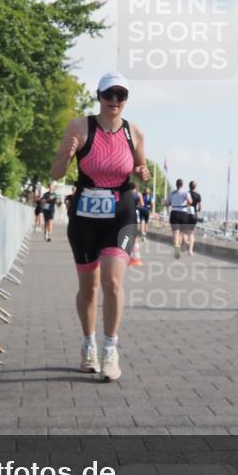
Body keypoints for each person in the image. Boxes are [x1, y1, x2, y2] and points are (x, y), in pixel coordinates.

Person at [51, 72, 149, 381]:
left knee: (113, 282)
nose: (115, 101)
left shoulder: (134, 133)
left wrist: (143, 174)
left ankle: (110, 348)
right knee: (89, 287)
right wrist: (68, 155)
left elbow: (140, 171)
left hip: (121, 214)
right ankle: (88, 344)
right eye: (109, 94)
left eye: (121, 95)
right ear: (99, 96)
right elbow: (55, 173)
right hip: (85, 216)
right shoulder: (79, 127)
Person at [165, 179, 193, 259]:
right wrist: (186, 203)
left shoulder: (172, 193)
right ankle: (179, 248)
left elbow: (167, 203)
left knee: (175, 233)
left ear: (176, 184)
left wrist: (168, 203)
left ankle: (176, 248)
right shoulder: (185, 193)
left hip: (174, 212)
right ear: (182, 185)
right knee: (181, 233)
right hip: (183, 213)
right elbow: (190, 201)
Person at [185, 180, 202, 256]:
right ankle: (190, 251)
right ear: (195, 187)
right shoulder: (198, 195)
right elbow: (200, 208)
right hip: (194, 215)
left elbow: (184, 204)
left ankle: (186, 242)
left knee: (184, 231)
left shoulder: (186, 194)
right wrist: (197, 210)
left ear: (189, 186)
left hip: (186, 213)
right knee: (191, 233)